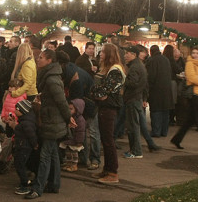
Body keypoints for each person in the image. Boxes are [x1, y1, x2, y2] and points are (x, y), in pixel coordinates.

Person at [25, 49, 74, 200]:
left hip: (53, 122)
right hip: (52, 120)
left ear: (49, 61)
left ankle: (38, 188)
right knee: (52, 154)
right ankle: (54, 184)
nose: (37, 59)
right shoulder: (48, 76)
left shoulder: (52, 79)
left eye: (41, 57)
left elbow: (61, 102)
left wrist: (68, 118)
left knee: (45, 156)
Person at [89, 43, 126, 184]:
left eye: (103, 52)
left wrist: (96, 92)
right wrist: (96, 92)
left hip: (109, 108)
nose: (100, 54)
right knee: (105, 139)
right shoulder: (108, 69)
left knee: (108, 140)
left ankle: (113, 172)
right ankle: (107, 169)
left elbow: (102, 92)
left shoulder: (115, 70)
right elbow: (98, 91)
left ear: (109, 54)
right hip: (104, 106)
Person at [171, 45, 198, 151]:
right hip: (195, 95)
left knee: (190, 120)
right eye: (194, 53)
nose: (195, 55)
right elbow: (191, 78)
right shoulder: (190, 63)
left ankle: (177, 139)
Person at [122, 45, 150, 159]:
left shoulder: (135, 67)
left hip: (133, 98)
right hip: (136, 98)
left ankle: (136, 151)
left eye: (127, 53)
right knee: (134, 125)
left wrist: (123, 79)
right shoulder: (139, 65)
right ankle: (134, 150)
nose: (125, 56)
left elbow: (133, 83)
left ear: (133, 54)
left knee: (133, 126)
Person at [6, 98, 38, 196]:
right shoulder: (25, 121)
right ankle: (24, 183)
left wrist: (35, 144)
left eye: (17, 109)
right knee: (20, 164)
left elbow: (31, 135)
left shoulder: (26, 123)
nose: (15, 111)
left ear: (22, 111)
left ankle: (25, 185)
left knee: (20, 164)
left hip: (24, 147)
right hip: (22, 146)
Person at [146, 45, 173, 137]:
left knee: (156, 111)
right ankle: (164, 132)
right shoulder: (166, 60)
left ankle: (156, 132)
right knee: (165, 111)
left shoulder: (152, 60)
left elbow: (151, 76)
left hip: (156, 90)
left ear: (151, 52)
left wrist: (148, 88)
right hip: (166, 89)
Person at [61, 98, 86, 172]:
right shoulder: (71, 118)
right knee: (68, 152)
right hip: (70, 139)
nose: (69, 111)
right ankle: (69, 164)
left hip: (75, 139)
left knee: (74, 154)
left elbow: (81, 132)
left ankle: (74, 165)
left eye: (71, 109)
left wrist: (79, 141)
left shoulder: (80, 120)